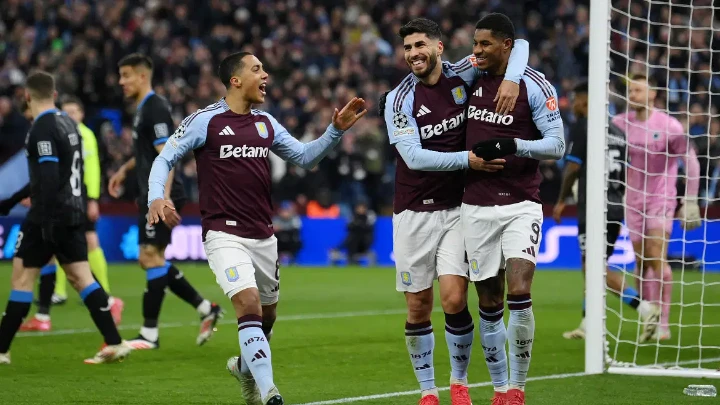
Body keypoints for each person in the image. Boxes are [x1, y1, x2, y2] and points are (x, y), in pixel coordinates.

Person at [147, 51, 367, 405]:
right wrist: (155, 198)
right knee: (247, 305)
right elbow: (165, 158)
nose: (265, 74)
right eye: (257, 69)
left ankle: (245, 369)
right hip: (223, 233)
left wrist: (334, 131)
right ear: (236, 80)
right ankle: (270, 393)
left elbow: (305, 157)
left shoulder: (266, 123)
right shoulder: (206, 121)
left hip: (263, 235)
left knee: (267, 316)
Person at [381, 17, 528, 405]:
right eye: (408, 47)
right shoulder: (399, 99)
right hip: (412, 210)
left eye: (420, 45)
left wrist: (511, 80)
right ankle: (427, 392)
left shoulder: (462, 73)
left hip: (457, 209)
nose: (414, 53)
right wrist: (469, 160)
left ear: (439, 47)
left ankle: (457, 382)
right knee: (418, 305)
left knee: (453, 299)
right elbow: (411, 157)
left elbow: (522, 46)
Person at [461, 13, 564, 405]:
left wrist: (514, 145)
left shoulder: (536, 86)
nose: (476, 51)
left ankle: (518, 389)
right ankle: (500, 389)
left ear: (505, 45)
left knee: (520, 291)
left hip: (522, 202)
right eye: (474, 44)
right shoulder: (470, 75)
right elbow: (439, 70)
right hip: (475, 206)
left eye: (485, 44)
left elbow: (556, 145)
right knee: (489, 300)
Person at [0, 71, 130, 365]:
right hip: (73, 212)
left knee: (21, 278)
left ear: (27, 96)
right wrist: (9, 201)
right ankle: (114, 342)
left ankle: (1, 350)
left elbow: (47, 177)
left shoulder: (41, 128)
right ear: (55, 95)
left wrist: (42, 221)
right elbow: (68, 172)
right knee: (81, 277)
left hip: (49, 215)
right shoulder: (69, 125)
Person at [108, 53, 223, 349]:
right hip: (153, 193)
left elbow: (167, 154)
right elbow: (148, 151)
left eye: (126, 75)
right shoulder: (144, 108)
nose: (121, 82)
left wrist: (163, 198)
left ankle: (150, 333)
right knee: (152, 258)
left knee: (149, 257)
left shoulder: (155, 107)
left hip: (160, 195)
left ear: (143, 76)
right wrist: (125, 169)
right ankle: (204, 309)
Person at [552, 81, 661, 340]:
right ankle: (588, 323)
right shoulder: (617, 131)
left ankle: (644, 308)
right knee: (590, 265)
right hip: (614, 207)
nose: (573, 104)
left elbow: (573, 168)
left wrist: (561, 200)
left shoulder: (583, 126)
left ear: (585, 100)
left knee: (595, 268)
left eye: (575, 99)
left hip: (592, 209)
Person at [19, 96, 124, 332]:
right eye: (66, 112)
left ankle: (106, 298)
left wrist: (92, 199)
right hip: (66, 200)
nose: (70, 116)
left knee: (81, 253)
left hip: (75, 200)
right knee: (61, 256)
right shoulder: (62, 131)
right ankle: (47, 310)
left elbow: (90, 169)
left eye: (74, 111)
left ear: (81, 113)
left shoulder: (82, 134)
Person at [611, 73, 701, 341]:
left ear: (652, 94)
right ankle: (647, 317)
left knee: (655, 254)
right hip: (632, 199)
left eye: (638, 90)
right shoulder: (619, 123)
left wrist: (691, 200)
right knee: (642, 262)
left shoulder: (669, 125)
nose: (633, 95)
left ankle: (663, 323)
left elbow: (692, 161)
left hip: (662, 197)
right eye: (631, 90)